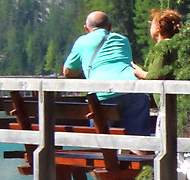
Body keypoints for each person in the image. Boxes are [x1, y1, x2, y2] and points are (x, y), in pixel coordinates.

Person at [62, 10, 152, 140]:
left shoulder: (82, 41)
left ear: (86, 29)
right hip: (134, 90)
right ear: (109, 26)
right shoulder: (122, 39)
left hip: (103, 94)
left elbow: (68, 71)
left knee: (103, 140)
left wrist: (85, 69)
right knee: (137, 138)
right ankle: (140, 156)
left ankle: (109, 158)